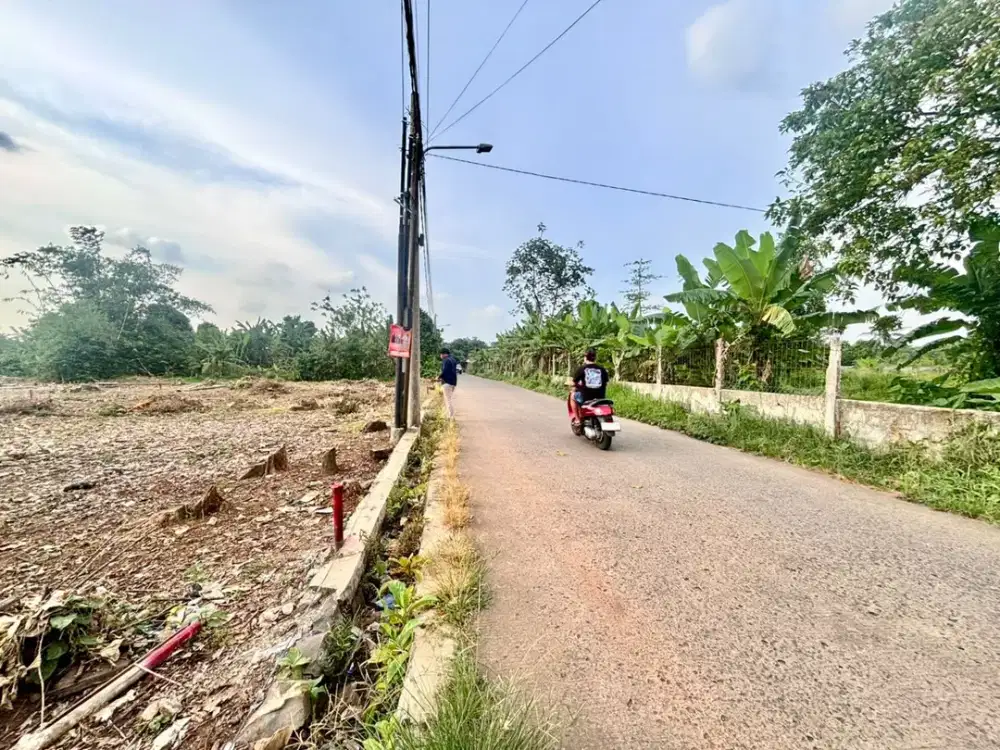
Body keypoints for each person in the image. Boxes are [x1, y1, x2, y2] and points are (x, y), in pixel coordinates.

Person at [571, 348, 609, 426]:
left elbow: (574, 382)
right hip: (600, 397)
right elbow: (606, 382)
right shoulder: (602, 369)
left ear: (585, 357)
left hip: (586, 397)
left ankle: (577, 419)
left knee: (572, 396)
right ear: (595, 358)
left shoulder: (582, 368)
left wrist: (574, 387)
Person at [439, 347, 458, 419]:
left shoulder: (446, 360)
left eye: (440, 354)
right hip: (453, 382)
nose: (440, 356)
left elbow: (445, 371)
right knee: (449, 398)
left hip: (447, 382)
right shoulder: (453, 360)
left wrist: (439, 377)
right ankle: (449, 415)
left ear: (444, 354)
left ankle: (450, 416)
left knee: (447, 400)